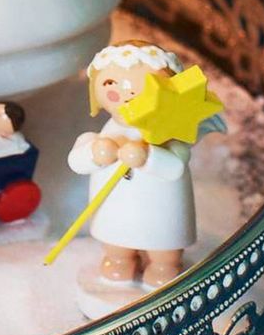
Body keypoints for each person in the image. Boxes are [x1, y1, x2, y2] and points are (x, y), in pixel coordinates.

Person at [67, 40, 196, 287]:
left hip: (160, 207)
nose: (126, 93)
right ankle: (119, 259)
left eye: (143, 87)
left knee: (163, 243)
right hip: (116, 208)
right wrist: (95, 153)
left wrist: (148, 157)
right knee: (116, 239)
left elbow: (176, 166)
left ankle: (164, 265)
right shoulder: (104, 133)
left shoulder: (172, 133)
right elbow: (76, 161)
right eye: (110, 83)